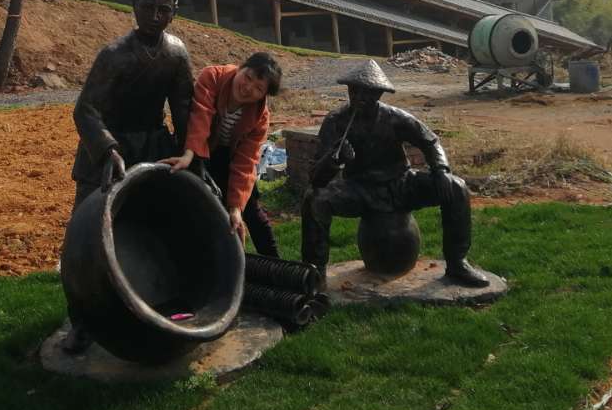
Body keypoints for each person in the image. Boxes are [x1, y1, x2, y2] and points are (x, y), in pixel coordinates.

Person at [62, 0, 194, 352]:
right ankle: (81, 322)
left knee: (157, 227)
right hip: (107, 151)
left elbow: (183, 107)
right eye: (148, 7)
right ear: (134, 7)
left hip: (153, 146)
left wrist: (191, 154)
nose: (154, 15)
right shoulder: (114, 55)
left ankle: (157, 301)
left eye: (163, 9)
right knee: (83, 238)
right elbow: (86, 110)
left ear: (174, 14)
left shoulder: (176, 53)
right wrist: (108, 149)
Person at [301, 59, 489, 287]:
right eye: (354, 91)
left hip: (400, 183)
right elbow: (317, 178)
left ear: (378, 94)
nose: (359, 97)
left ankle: (457, 263)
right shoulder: (335, 121)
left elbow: (430, 141)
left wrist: (440, 170)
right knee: (315, 199)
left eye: (366, 92)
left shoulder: (395, 117)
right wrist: (333, 160)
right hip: (360, 188)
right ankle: (315, 274)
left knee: (457, 188)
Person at [161, 52, 283, 257]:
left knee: (251, 211)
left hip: (230, 156)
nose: (248, 88)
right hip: (200, 148)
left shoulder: (260, 117)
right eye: (248, 77)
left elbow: (246, 160)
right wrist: (189, 155)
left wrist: (236, 207)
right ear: (241, 67)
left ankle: (276, 263)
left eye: (258, 88)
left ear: (264, 95)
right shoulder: (213, 76)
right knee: (201, 206)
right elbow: (201, 115)